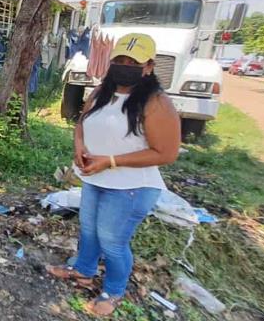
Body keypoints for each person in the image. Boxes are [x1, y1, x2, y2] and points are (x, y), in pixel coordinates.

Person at [46, 33, 181, 317]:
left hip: (131, 187)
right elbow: (81, 124)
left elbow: (166, 153)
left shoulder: (157, 103)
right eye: (119, 60)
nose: (124, 65)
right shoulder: (100, 92)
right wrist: (79, 147)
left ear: (148, 66)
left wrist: (111, 161)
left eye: (133, 61)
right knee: (88, 230)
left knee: (113, 241)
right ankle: (83, 270)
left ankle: (114, 290)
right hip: (94, 179)